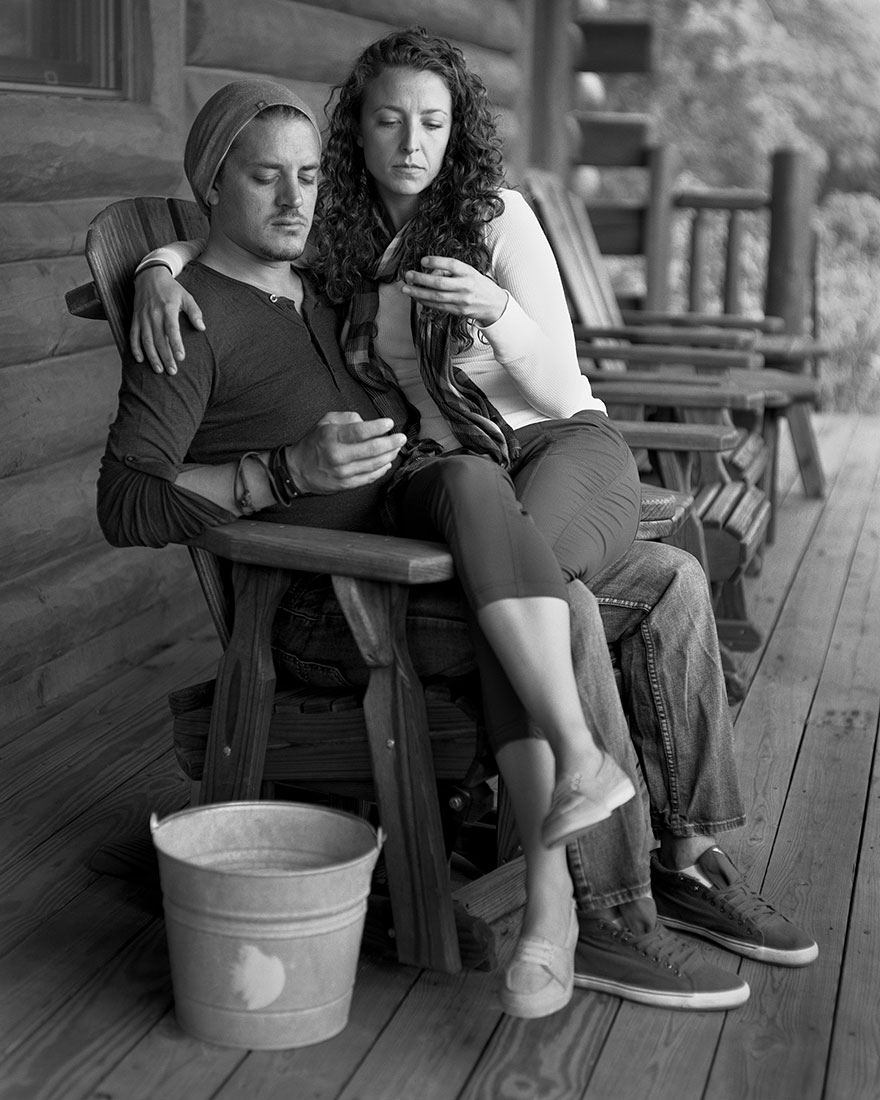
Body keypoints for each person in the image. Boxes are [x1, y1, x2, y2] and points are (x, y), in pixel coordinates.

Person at [109, 72, 816, 1024]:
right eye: (263, 179)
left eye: (310, 176)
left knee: (675, 578)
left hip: (421, 542)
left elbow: (219, 237)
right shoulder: (188, 322)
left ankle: (683, 859)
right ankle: (601, 911)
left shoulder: (314, 274)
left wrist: (160, 252)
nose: (294, 201)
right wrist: (277, 473)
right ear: (213, 183)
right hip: (335, 605)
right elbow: (126, 498)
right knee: (557, 606)